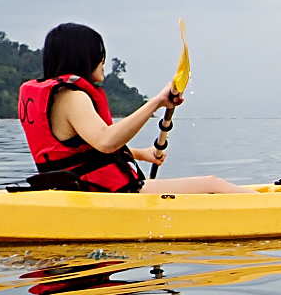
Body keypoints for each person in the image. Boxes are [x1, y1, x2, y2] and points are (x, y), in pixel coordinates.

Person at [18, 23, 254, 194]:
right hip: (106, 194)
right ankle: (279, 213)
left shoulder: (56, 97)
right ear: (83, 57)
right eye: (99, 55)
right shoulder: (73, 97)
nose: (103, 61)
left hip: (76, 191)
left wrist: (142, 154)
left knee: (211, 184)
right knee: (212, 185)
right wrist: (156, 102)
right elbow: (105, 142)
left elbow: (82, 151)